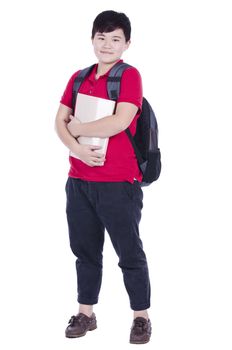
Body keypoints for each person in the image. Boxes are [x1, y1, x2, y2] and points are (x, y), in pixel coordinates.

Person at [55, 10, 152, 344]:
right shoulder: (79, 77)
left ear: (127, 43)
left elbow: (121, 121)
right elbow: (59, 121)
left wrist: (78, 130)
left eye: (115, 39)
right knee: (84, 251)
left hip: (118, 184)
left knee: (129, 253)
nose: (107, 44)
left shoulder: (129, 76)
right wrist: (76, 148)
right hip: (79, 181)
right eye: (102, 37)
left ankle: (141, 317)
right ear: (92, 39)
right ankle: (86, 313)